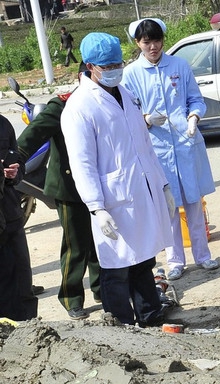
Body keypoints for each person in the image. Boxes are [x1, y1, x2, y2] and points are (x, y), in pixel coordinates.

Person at [61, 32, 175, 326]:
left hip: (141, 189)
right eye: (107, 66)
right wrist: (96, 207)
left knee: (143, 260)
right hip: (112, 200)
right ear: (90, 66)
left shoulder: (125, 94)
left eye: (117, 64)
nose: (114, 70)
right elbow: (82, 163)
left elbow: (144, 146)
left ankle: (150, 318)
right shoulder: (80, 107)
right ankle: (121, 327)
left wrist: (162, 185)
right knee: (115, 268)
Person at [122, 18, 218, 281]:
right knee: (169, 207)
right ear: (137, 43)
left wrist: (194, 117)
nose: (152, 46)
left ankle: (203, 256)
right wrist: (146, 120)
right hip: (157, 148)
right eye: (146, 42)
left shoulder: (179, 65)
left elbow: (195, 99)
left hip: (186, 143)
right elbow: (128, 115)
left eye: (156, 41)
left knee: (194, 202)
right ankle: (175, 259)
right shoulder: (131, 74)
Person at [16, 62, 101, 320]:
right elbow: (34, 133)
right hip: (69, 187)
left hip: (99, 184)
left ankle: (102, 287)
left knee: (101, 242)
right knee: (76, 244)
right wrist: (14, 158)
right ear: (81, 77)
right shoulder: (62, 105)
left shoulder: (105, 100)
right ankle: (71, 297)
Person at [0, 115, 37, 321]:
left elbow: (18, 160)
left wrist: (15, 173)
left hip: (10, 214)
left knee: (21, 282)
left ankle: (28, 331)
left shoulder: (3, 124)